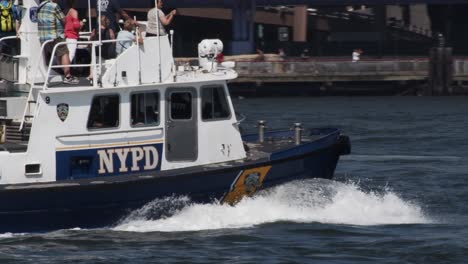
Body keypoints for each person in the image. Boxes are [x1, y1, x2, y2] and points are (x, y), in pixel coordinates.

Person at [37, 0, 78, 84]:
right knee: (65, 53)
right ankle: (68, 77)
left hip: (43, 37)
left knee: (57, 55)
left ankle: (56, 74)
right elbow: (63, 20)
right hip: (55, 36)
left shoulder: (40, 6)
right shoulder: (54, 6)